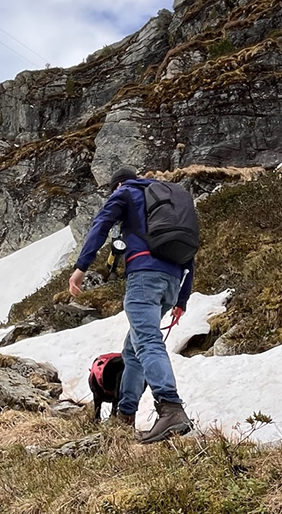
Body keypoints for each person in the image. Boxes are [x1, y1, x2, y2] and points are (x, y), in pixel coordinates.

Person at [69, 167, 194, 444]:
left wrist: (81, 268)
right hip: (172, 280)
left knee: (148, 341)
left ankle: (170, 406)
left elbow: (100, 226)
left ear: (118, 184)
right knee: (133, 349)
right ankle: (124, 418)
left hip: (144, 277)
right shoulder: (168, 198)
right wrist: (182, 298)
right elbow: (189, 248)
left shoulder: (124, 193)